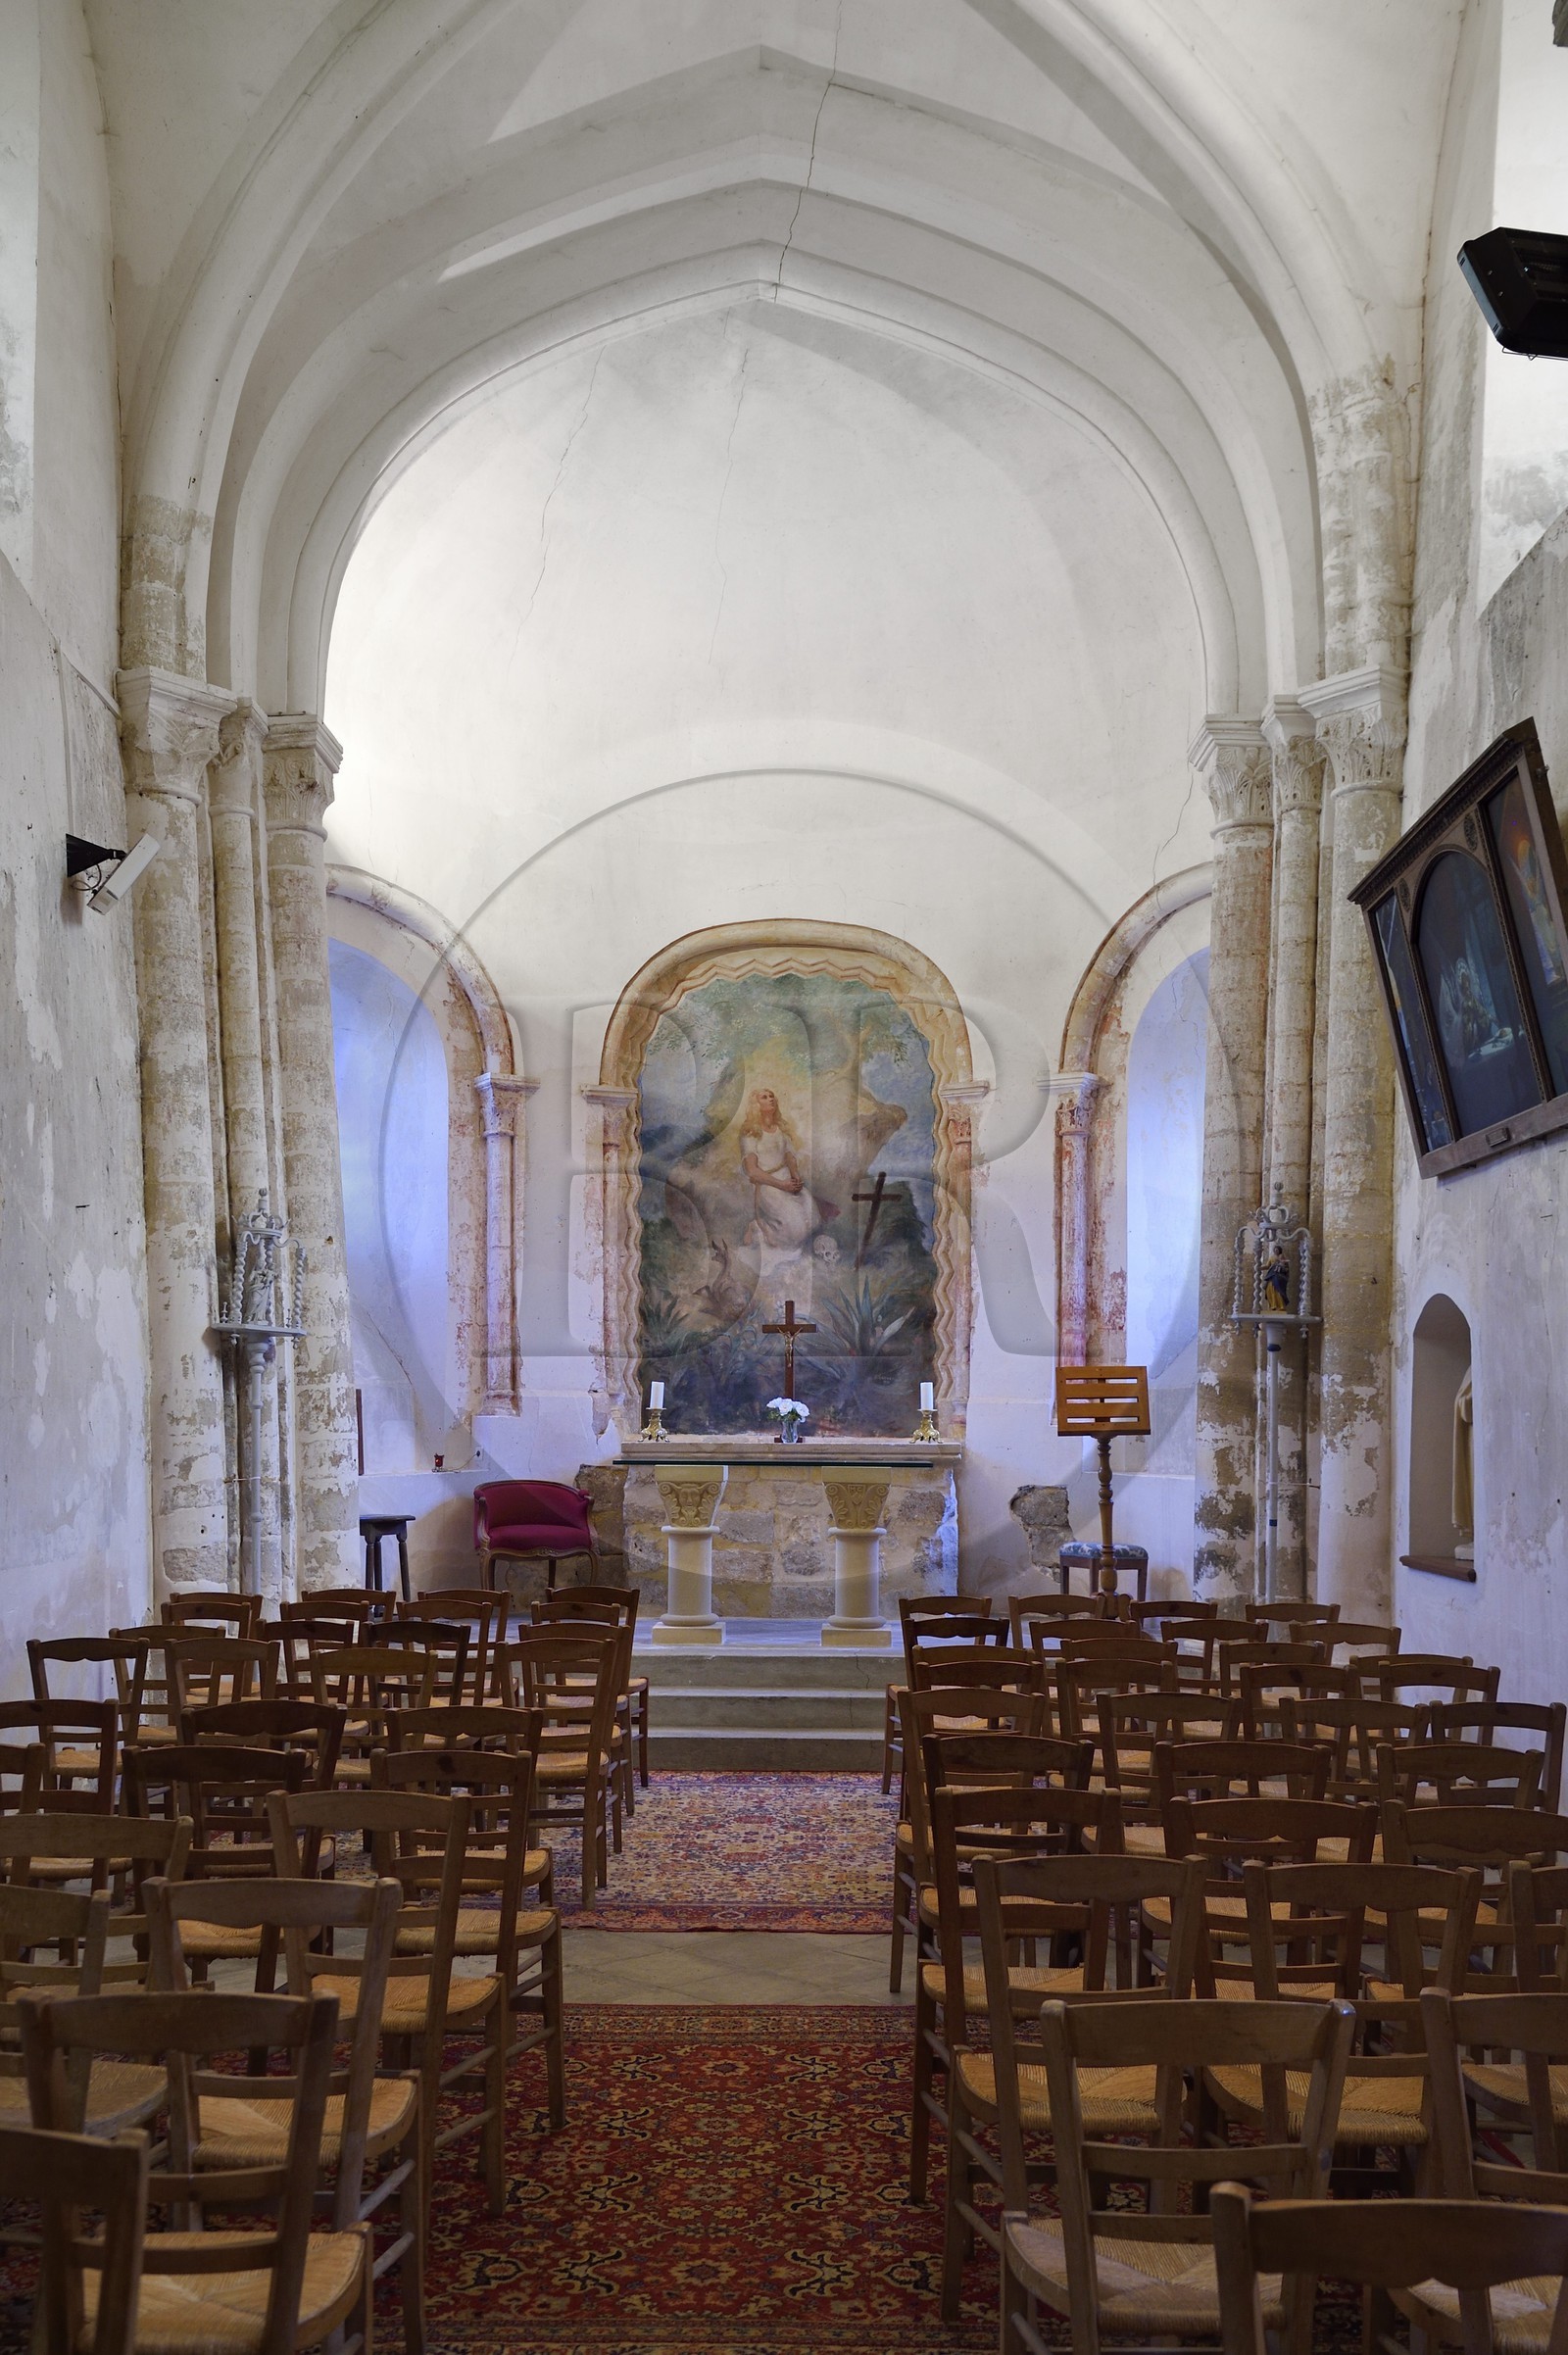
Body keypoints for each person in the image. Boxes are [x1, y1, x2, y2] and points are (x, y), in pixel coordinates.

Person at [740, 1088, 815, 1256]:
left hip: (787, 1180)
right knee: (796, 1227)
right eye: (764, 1097)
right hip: (768, 1184)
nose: (770, 1099)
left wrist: (795, 1177)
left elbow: (789, 1155)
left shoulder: (780, 1127)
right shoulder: (750, 1131)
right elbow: (752, 1172)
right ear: (756, 1104)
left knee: (812, 1217)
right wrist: (782, 1185)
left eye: (772, 1096)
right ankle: (758, 1227)